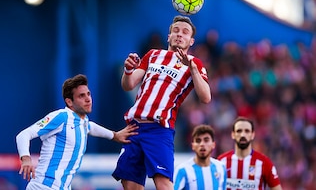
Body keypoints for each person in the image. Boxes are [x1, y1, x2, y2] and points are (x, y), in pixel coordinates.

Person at [112, 15, 211, 190]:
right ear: (169, 36)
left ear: (191, 41)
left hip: (159, 129)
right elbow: (129, 85)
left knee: (164, 184)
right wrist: (128, 70)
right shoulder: (153, 54)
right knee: (130, 185)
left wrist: (193, 68)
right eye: (176, 30)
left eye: (185, 32)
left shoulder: (194, 63)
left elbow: (206, 97)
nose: (180, 34)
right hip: (134, 127)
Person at [16, 74, 138, 190]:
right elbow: (23, 135)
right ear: (69, 102)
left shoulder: (83, 122)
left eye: (88, 94)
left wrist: (115, 135)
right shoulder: (61, 117)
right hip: (43, 186)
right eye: (81, 96)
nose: (88, 99)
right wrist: (26, 159)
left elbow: (91, 127)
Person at [217, 117, 282, 190]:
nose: (242, 135)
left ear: (252, 135)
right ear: (233, 135)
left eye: (247, 131)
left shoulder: (264, 163)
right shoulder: (221, 162)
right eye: (239, 131)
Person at [173, 124, 227, 190]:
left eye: (206, 140)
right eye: (198, 141)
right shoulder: (183, 170)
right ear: (192, 145)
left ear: (213, 144)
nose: (202, 144)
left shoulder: (220, 167)